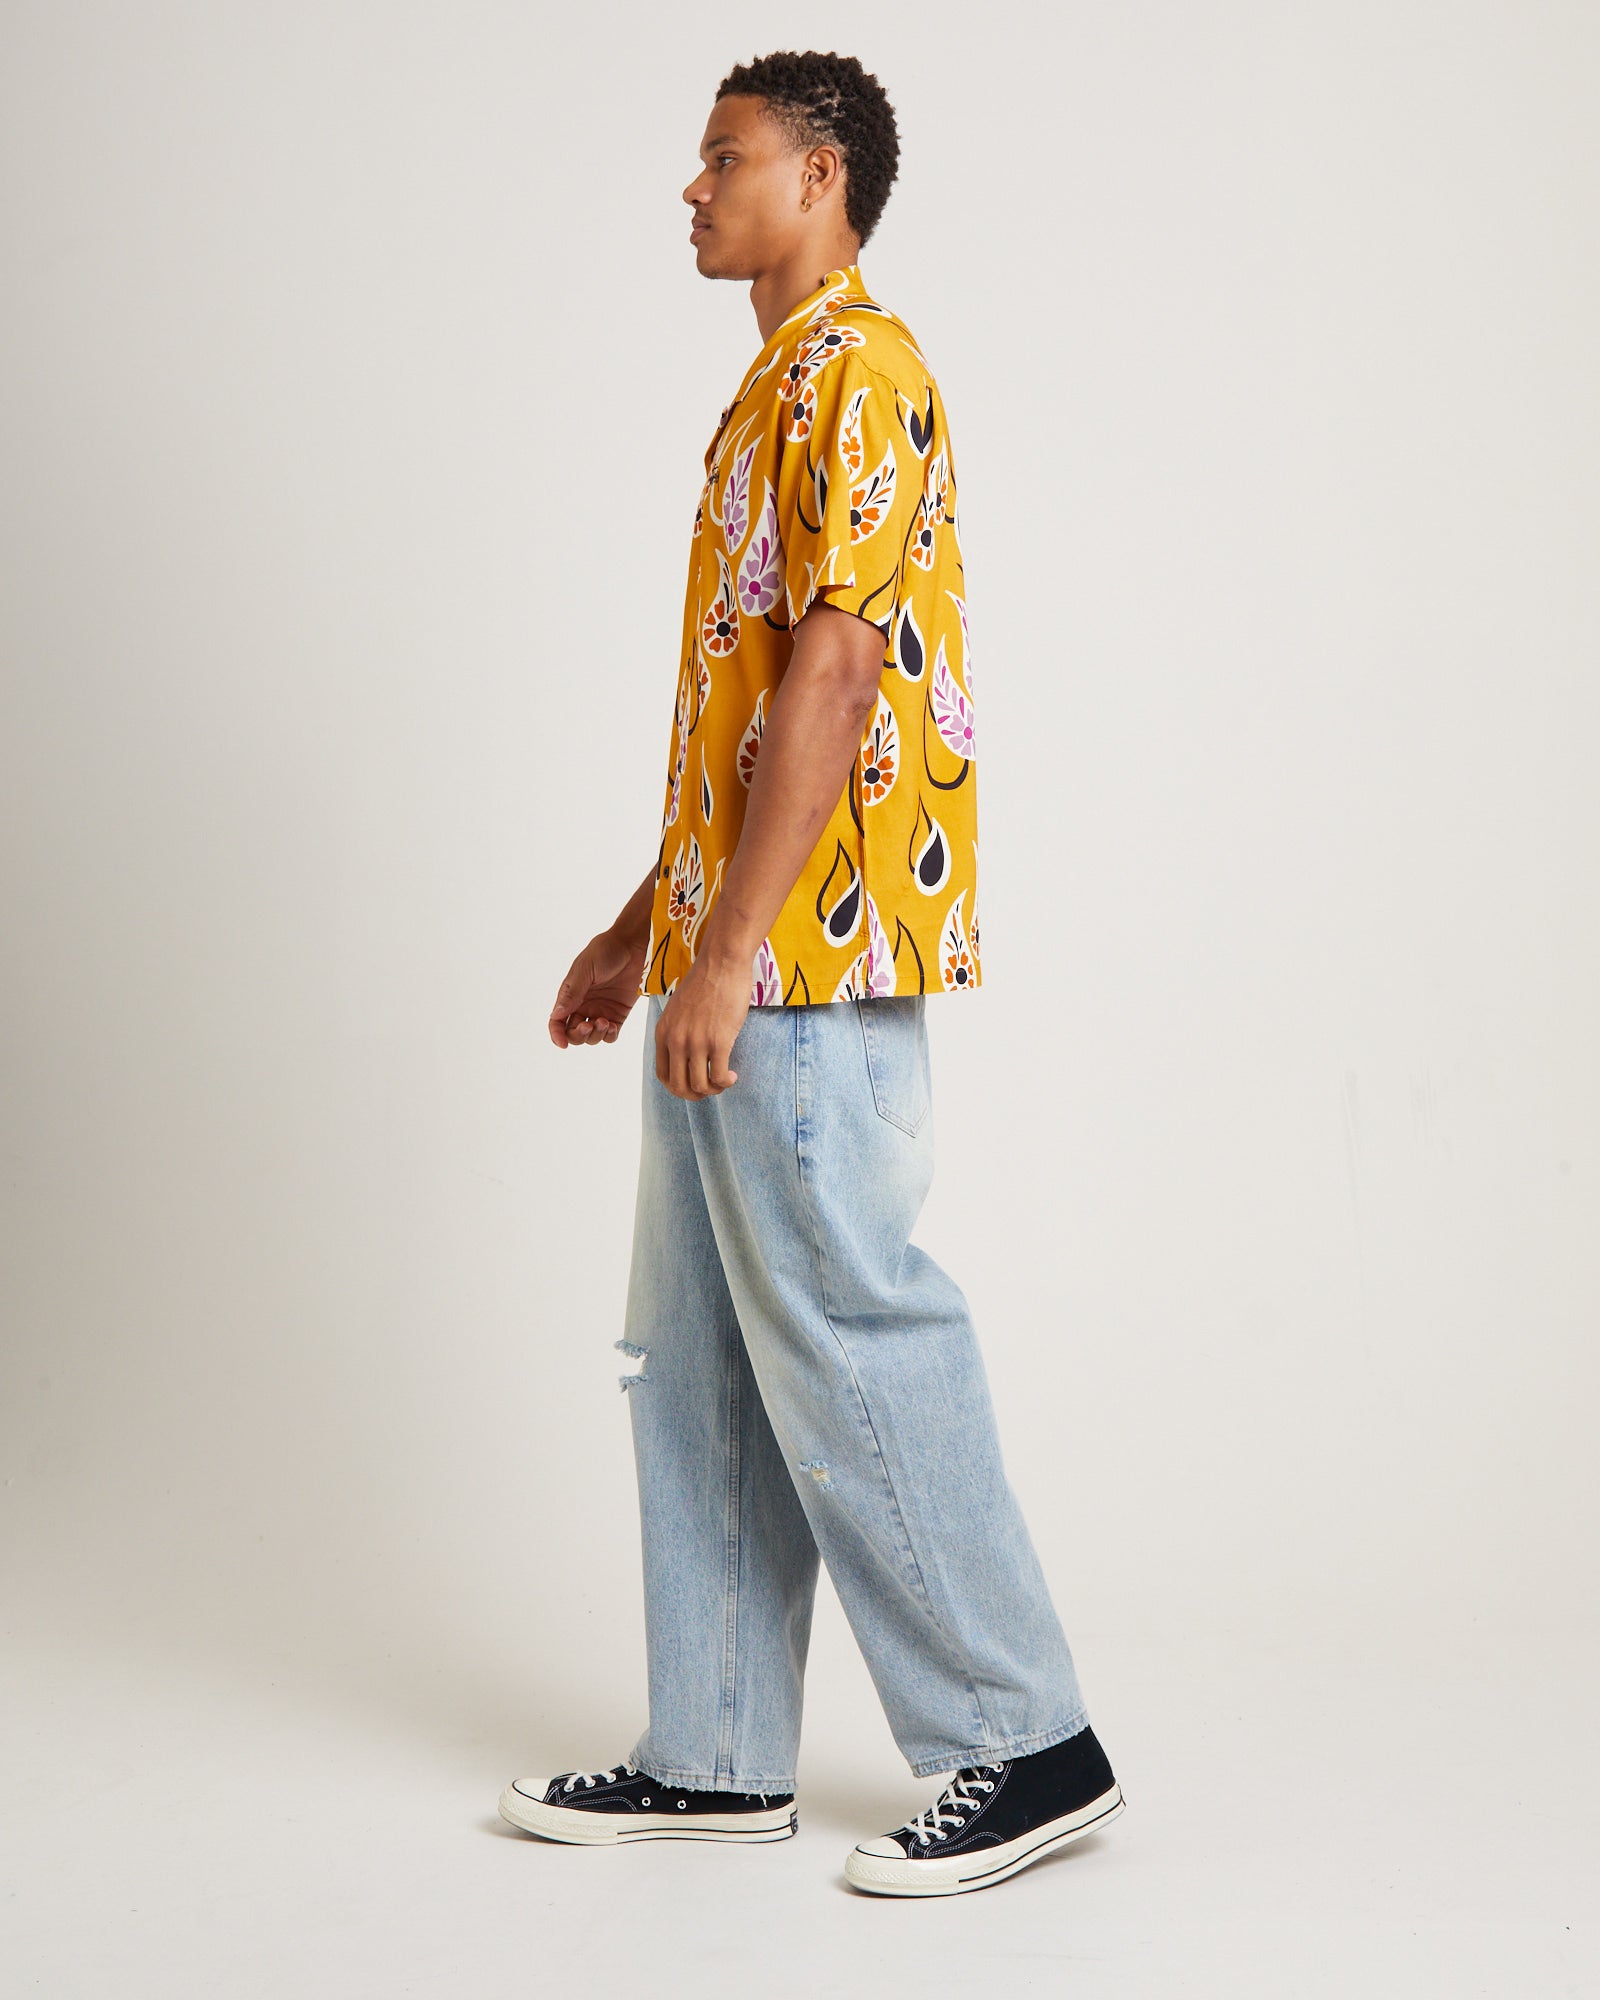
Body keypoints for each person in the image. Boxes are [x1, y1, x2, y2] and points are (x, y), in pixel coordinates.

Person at [498, 48, 1124, 1898]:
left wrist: (732, 954)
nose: (694, 189)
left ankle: (1026, 1737)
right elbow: (758, 712)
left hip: (809, 966)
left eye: (726, 158)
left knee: (850, 1317)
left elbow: (842, 683)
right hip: (735, 955)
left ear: (822, 176)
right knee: (695, 1359)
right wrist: (647, 928)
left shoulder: (864, 371)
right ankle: (713, 1755)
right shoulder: (774, 389)